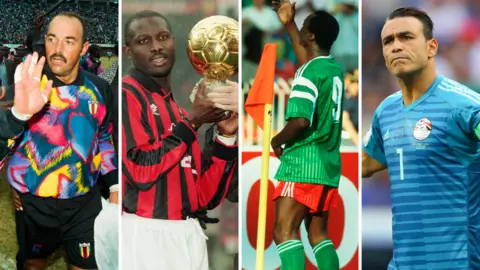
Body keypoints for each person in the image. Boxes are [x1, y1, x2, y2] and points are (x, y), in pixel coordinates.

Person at [362, 7, 480, 270]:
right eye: (388, 41)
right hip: (403, 264)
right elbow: (363, 164)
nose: (396, 46)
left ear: (431, 47)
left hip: (456, 263)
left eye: (406, 37)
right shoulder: (386, 111)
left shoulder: (464, 106)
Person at [121, 10, 238, 270]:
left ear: (175, 43)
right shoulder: (126, 94)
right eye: (143, 41)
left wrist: (226, 137)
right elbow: (140, 169)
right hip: (146, 236)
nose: (156, 47)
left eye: (163, 37)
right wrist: (192, 124)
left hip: (189, 234)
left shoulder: (179, 111)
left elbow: (204, 199)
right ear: (128, 51)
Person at [1, 12, 118, 270]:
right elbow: (6, 139)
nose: (58, 49)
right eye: (52, 39)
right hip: (33, 203)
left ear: (84, 48)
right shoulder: (27, 87)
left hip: (83, 203)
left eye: (69, 41)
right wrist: (16, 179)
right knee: (32, 264)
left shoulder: (99, 88)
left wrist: (115, 186)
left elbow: (104, 136)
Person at [271, 1, 343, 269]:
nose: (299, 30)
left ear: (310, 35)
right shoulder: (331, 68)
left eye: (302, 27)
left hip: (303, 163)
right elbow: (306, 63)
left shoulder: (307, 74)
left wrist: (277, 140)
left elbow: (301, 121)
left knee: (284, 231)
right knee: (318, 235)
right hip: (328, 165)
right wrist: (289, 23)